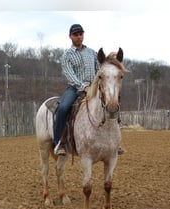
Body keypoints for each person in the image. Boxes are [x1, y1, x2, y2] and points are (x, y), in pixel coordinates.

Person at [53, 24, 125, 156]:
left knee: (111, 102)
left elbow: (100, 69)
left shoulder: (92, 53)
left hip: (94, 87)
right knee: (63, 108)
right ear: (70, 37)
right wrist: (83, 87)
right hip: (75, 89)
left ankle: (115, 142)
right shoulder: (67, 56)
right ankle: (60, 142)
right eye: (76, 35)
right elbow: (70, 75)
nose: (79, 37)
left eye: (81, 34)